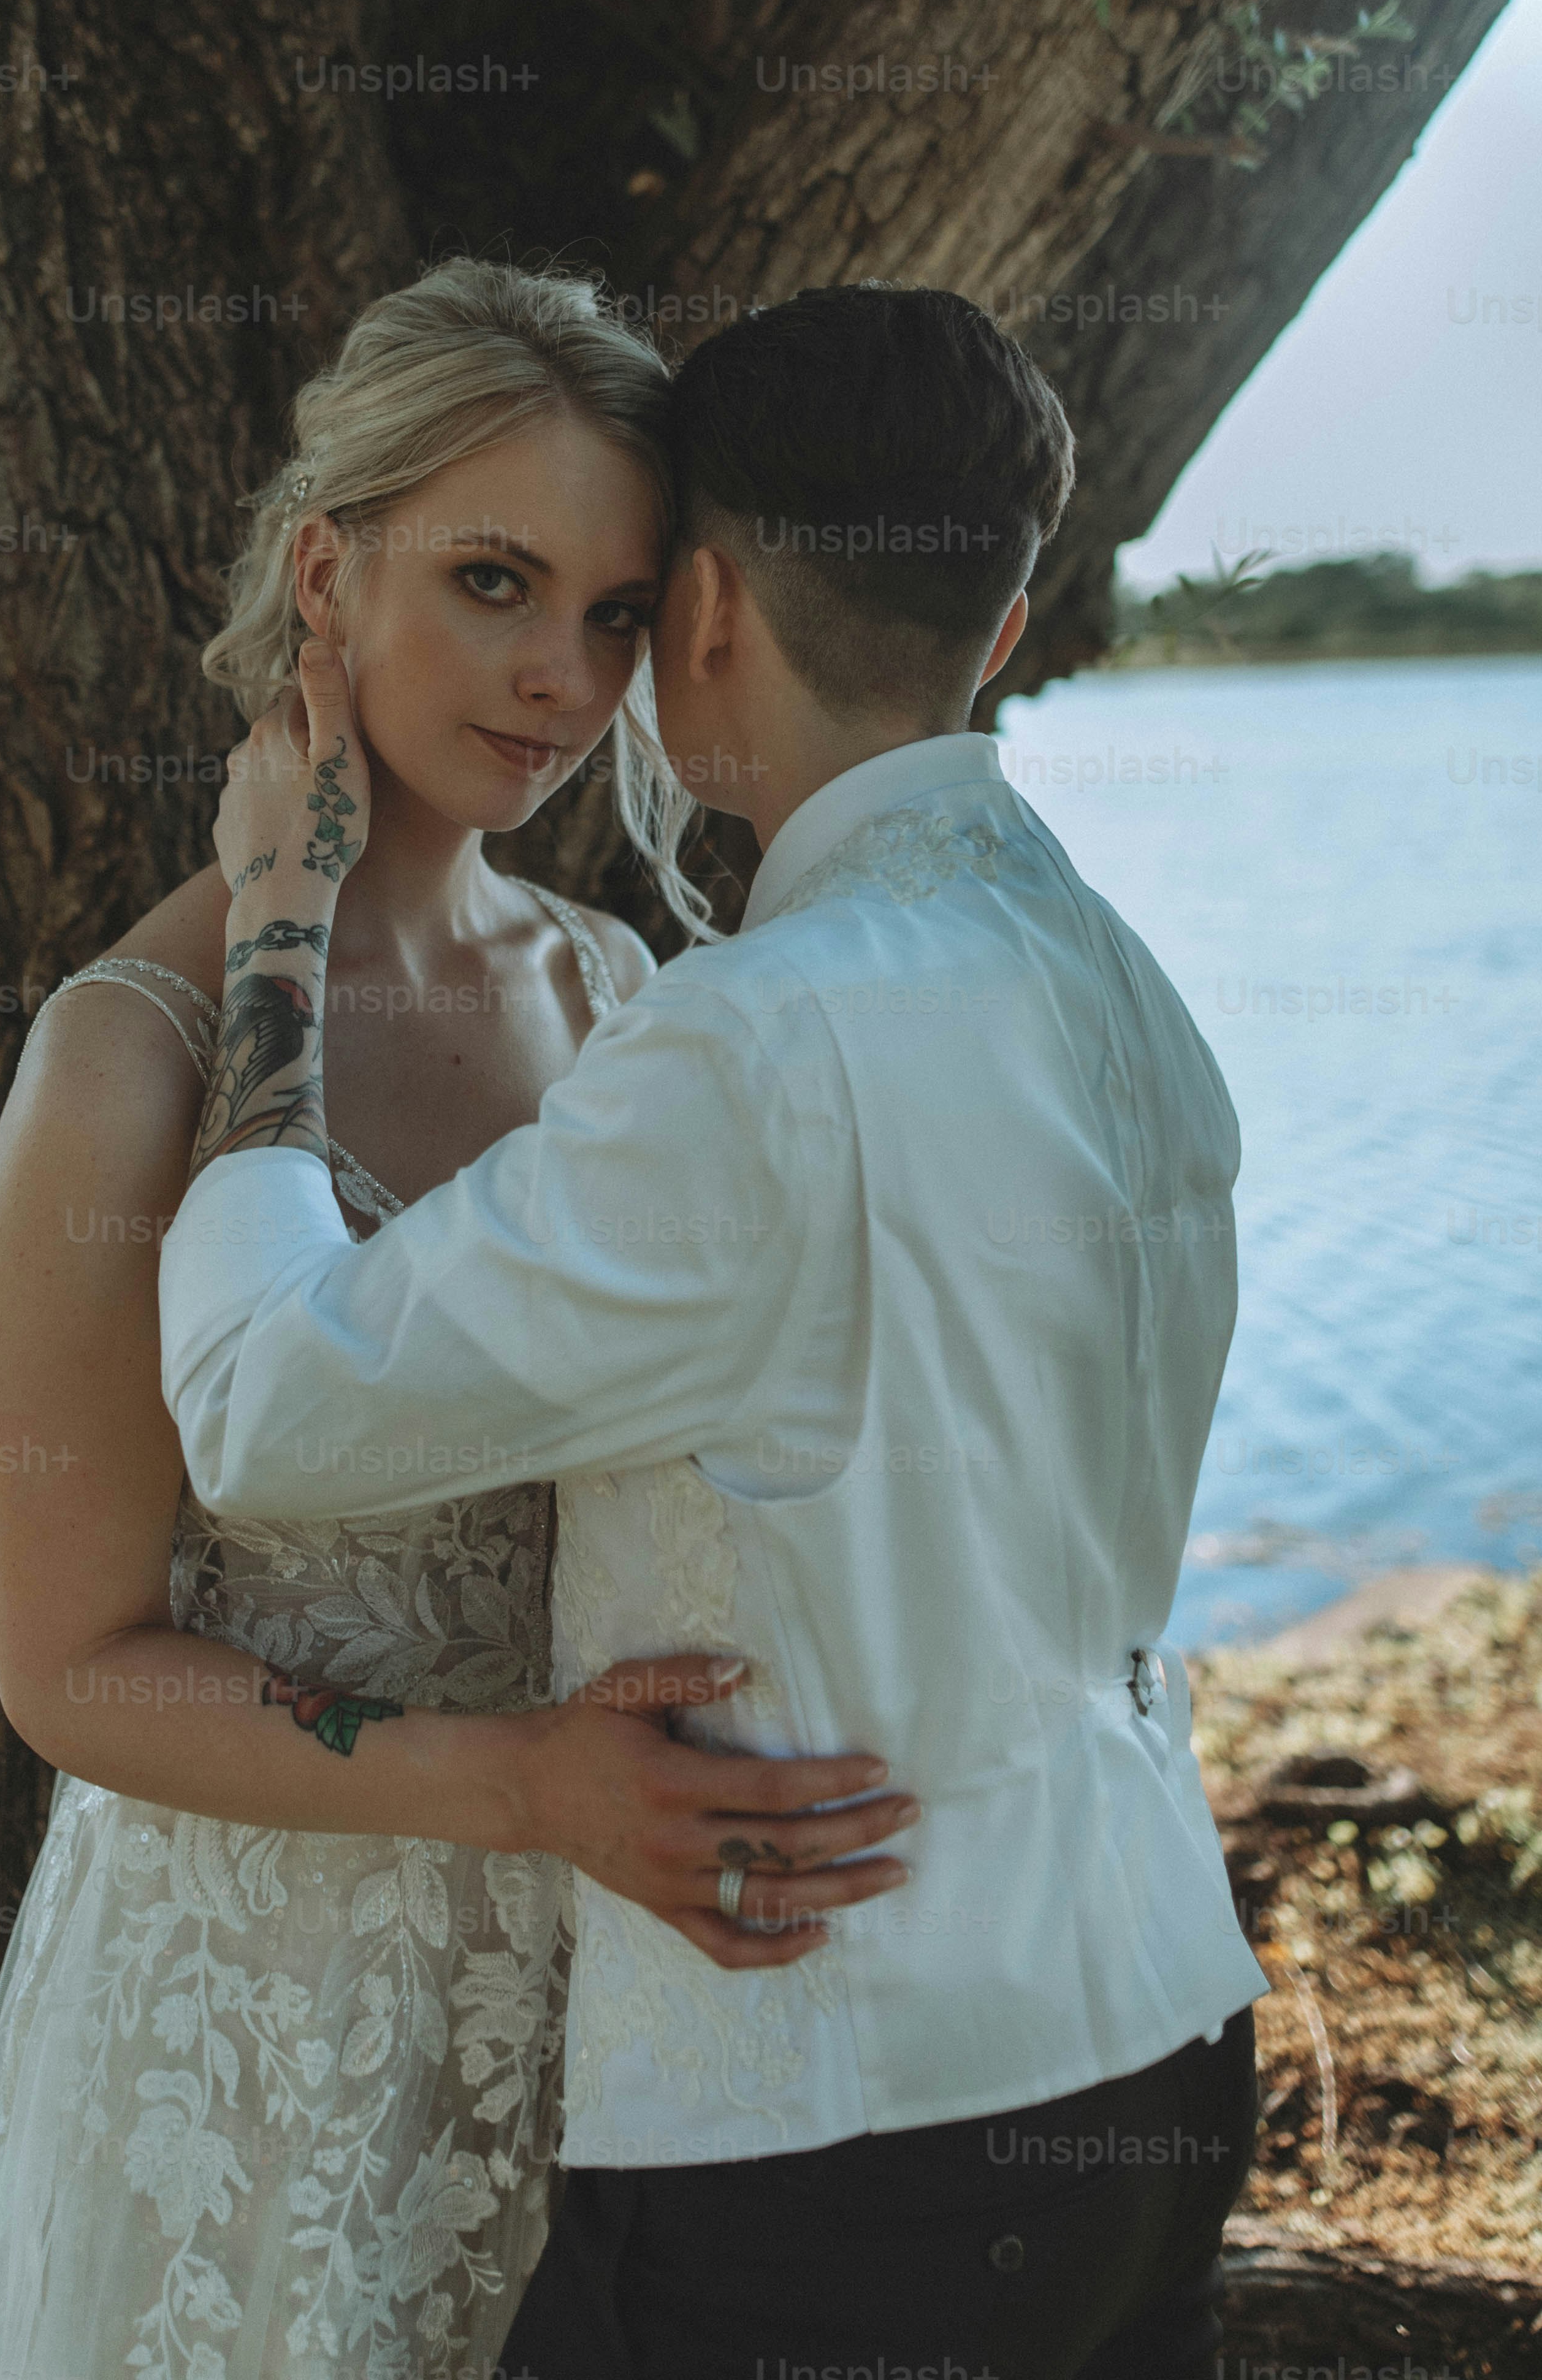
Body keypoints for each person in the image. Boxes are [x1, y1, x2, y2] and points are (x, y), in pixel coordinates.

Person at [160, 281, 1273, 2380]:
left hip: (845, 2126)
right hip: (1154, 2031)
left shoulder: (753, 1044)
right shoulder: (1130, 991)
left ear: (712, 612)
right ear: (1006, 629)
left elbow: (258, 1400)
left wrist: (279, 950)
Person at [0, 261, 914, 2380]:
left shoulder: (617, 999)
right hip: (254, 2043)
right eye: (490, 580)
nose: (561, 677)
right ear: (324, 572)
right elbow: (67, 1669)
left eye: (618, 614)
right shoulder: (130, 1056)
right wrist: (521, 1788)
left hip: (604, 1992)